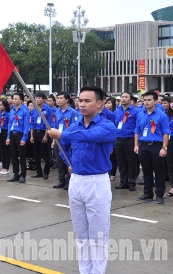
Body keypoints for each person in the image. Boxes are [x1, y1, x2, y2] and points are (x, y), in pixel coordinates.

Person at [47, 85, 116, 274]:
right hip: (76, 181)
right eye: (80, 101)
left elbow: (89, 136)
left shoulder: (106, 126)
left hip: (96, 182)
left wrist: (61, 134)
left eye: (87, 101)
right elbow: (65, 146)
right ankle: (84, 270)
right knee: (81, 234)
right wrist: (70, 161)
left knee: (98, 234)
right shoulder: (75, 126)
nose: (82, 105)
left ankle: (97, 271)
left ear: (100, 103)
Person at [134, 91, 170, 204]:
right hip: (143, 145)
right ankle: (147, 193)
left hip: (156, 146)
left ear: (155, 101)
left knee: (158, 171)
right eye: (144, 100)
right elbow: (137, 131)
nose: (146, 102)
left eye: (149, 100)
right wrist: (136, 145)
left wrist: (164, 148)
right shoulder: (140, 114)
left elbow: (166, 132)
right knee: (146, 171)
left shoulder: (162, 115)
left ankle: (159, 194)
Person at [52, 92, 78, 190]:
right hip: (58, 139)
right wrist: (54, 140)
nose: (58, 100)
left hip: (68, 139)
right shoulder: (57, 112)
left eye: (61, 98)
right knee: (59, 161)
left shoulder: (73, 112)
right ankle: (61, 181)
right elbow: (55, 126)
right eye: (57, 98)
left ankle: (68, 181)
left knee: (69, 161)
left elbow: (75, 127)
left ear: (67, 100)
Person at [114, 92, 139, 191]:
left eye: (126, 97)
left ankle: (131, 182)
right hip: (119, 138)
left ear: (130, 99)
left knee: (131, 161)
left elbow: (138, 126)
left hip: (130, 138)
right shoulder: (117, 110)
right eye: (122, 97)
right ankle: (123, 182)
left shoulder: (135, 111)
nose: (123, 99)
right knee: (121, 162)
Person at [6, 93, 29, 183]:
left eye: (16, 99)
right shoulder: (12, 110)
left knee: (22, 156)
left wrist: (24, 138)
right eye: (13, 99)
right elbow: (9, 124)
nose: (13, 100)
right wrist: (8, 137)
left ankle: (23, 175)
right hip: (12, 134)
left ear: (21, 100)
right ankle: (16, 174)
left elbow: (27, 125)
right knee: (14, 156)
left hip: (20, 134)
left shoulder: (24, 111)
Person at [30, 93, 53, 179]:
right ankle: (38, 172)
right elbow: (32, 123)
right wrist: (32, 136)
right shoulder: (35, 110)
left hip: (44, 132)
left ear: (44, 99)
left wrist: (46, 135)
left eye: (39, 98)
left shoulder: (48, 110)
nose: (37, 100)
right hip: (36, 132)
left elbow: (49, 123)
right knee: (36, 154)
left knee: (46, 154)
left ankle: (46, 172)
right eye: (36, 98)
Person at [0, 100, 11, 175]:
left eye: (1, 105)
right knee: (1, 151)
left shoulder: (8, 114)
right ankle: (3, 167)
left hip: (6, 132)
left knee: (6, 151)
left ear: (5, 106)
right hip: (0, 132)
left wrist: (8, 137)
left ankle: (7, 168)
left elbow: (9, 126)